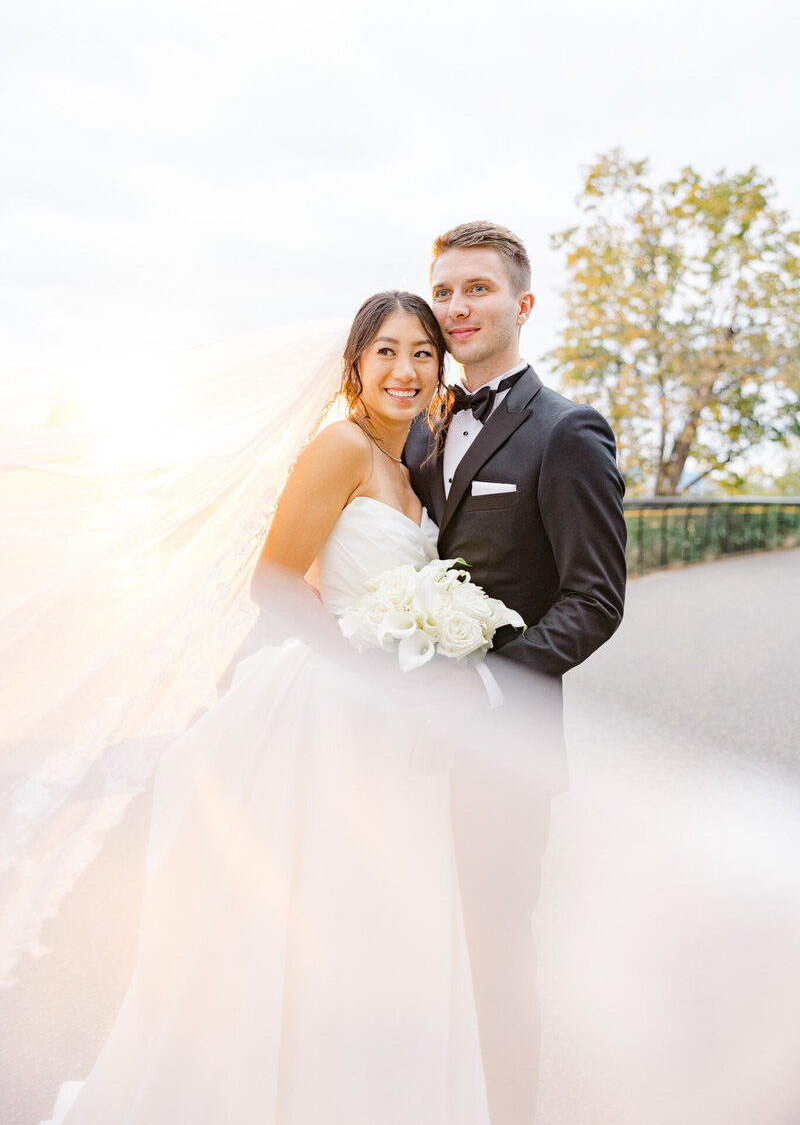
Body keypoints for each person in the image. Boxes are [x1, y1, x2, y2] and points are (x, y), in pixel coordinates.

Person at [42, 291, 500, 1125]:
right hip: (330, 711)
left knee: (384, 927)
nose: (406, 369)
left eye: (423, 353)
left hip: (400, 728)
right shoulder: (340, 445)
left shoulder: (415, 463)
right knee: (321, 921)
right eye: (387, 351)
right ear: (355, 365)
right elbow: (276, 581)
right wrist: (374, 674)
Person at [404, 221, 628, 1124]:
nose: (459, 307)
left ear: (522, 303)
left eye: (479, 289)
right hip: (396, 744)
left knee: (496, 955)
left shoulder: (568, 432)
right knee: (416, 943)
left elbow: (595, 597)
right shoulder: (415, 425)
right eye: (446, 291)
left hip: (504, 754)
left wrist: (486, 682)